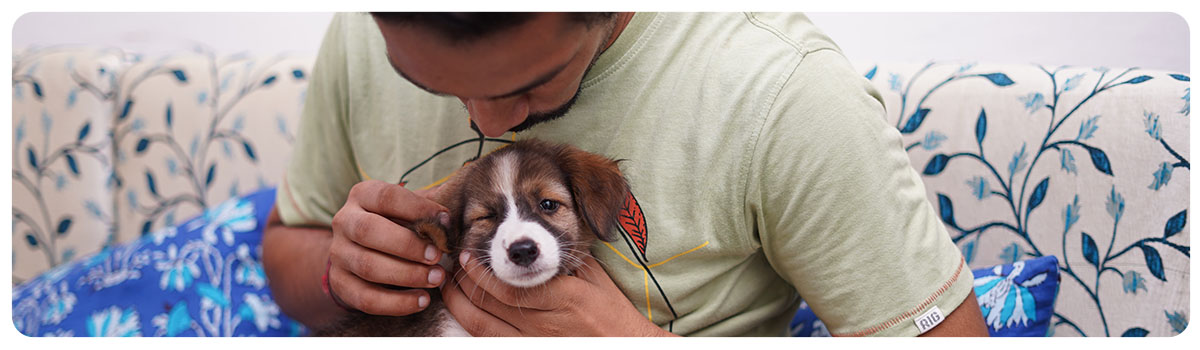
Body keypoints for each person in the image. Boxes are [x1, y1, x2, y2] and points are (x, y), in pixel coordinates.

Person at [262, 12, 989, 337]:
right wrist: (340, 270)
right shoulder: (366, 30)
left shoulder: (782, 95)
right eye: (425, 81)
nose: (486, 124)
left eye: (532, 85)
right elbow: (290, 249)